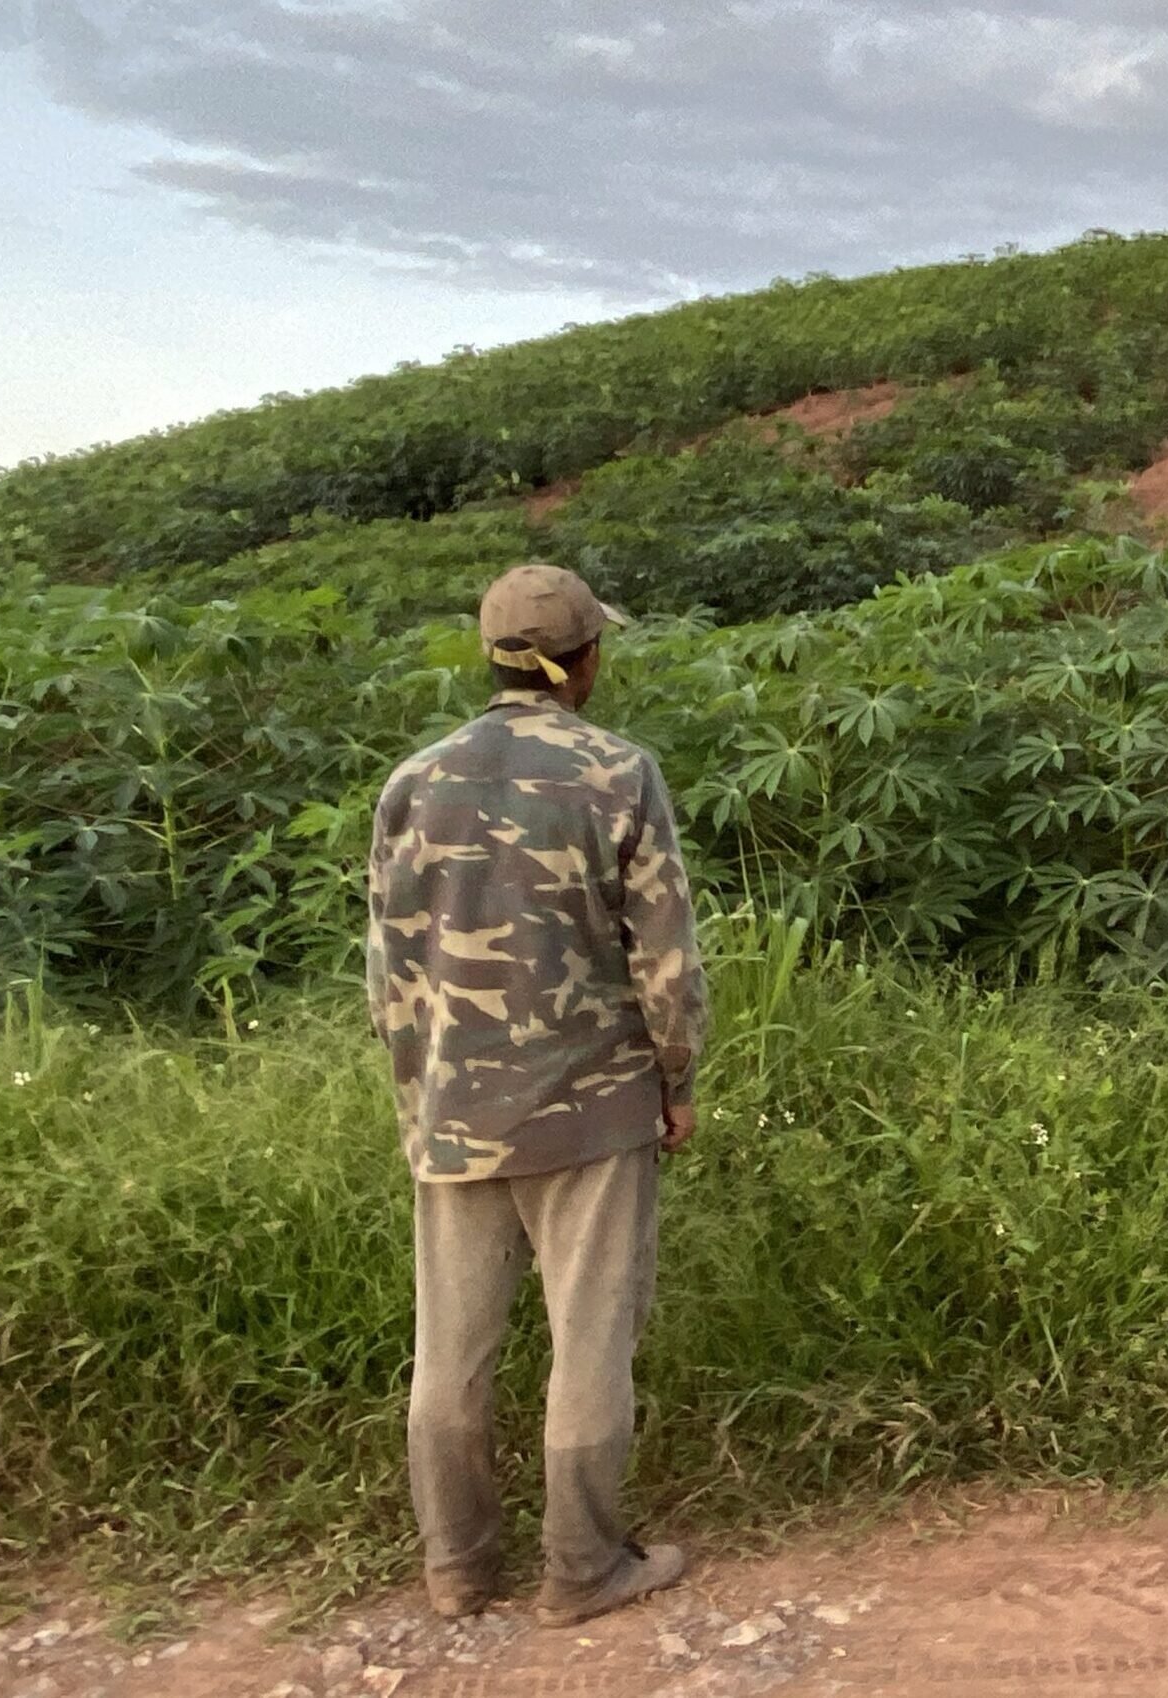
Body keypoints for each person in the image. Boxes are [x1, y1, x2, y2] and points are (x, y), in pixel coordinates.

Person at [364, 562, 707, 1627]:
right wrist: (678, 1082)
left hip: (454, 1109)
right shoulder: (617, 772)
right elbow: (665, 961)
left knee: (452, 1346)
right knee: (589, 1338)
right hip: (592, 1109)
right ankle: (582, 1567)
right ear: (582, 660)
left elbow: (390, 973)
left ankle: (459, 1567)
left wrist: (420, 1097)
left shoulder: (414, 781)